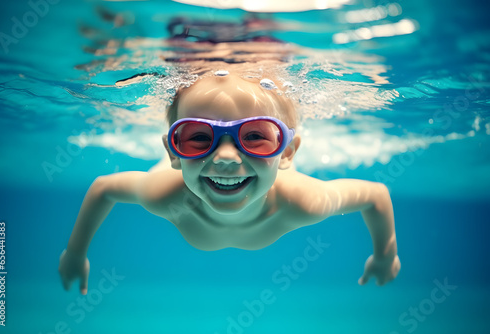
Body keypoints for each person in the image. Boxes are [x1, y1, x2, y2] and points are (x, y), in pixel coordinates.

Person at [58, 72, 400, 295]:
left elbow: (375, 195)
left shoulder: (304, 200)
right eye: (197, 136)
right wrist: (74, 253)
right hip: (185, 172)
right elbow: (104, 187)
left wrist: (386, 255)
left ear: (288, 152)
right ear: (172, 150)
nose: (224, 157)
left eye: (254, 135)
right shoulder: (165, 192)